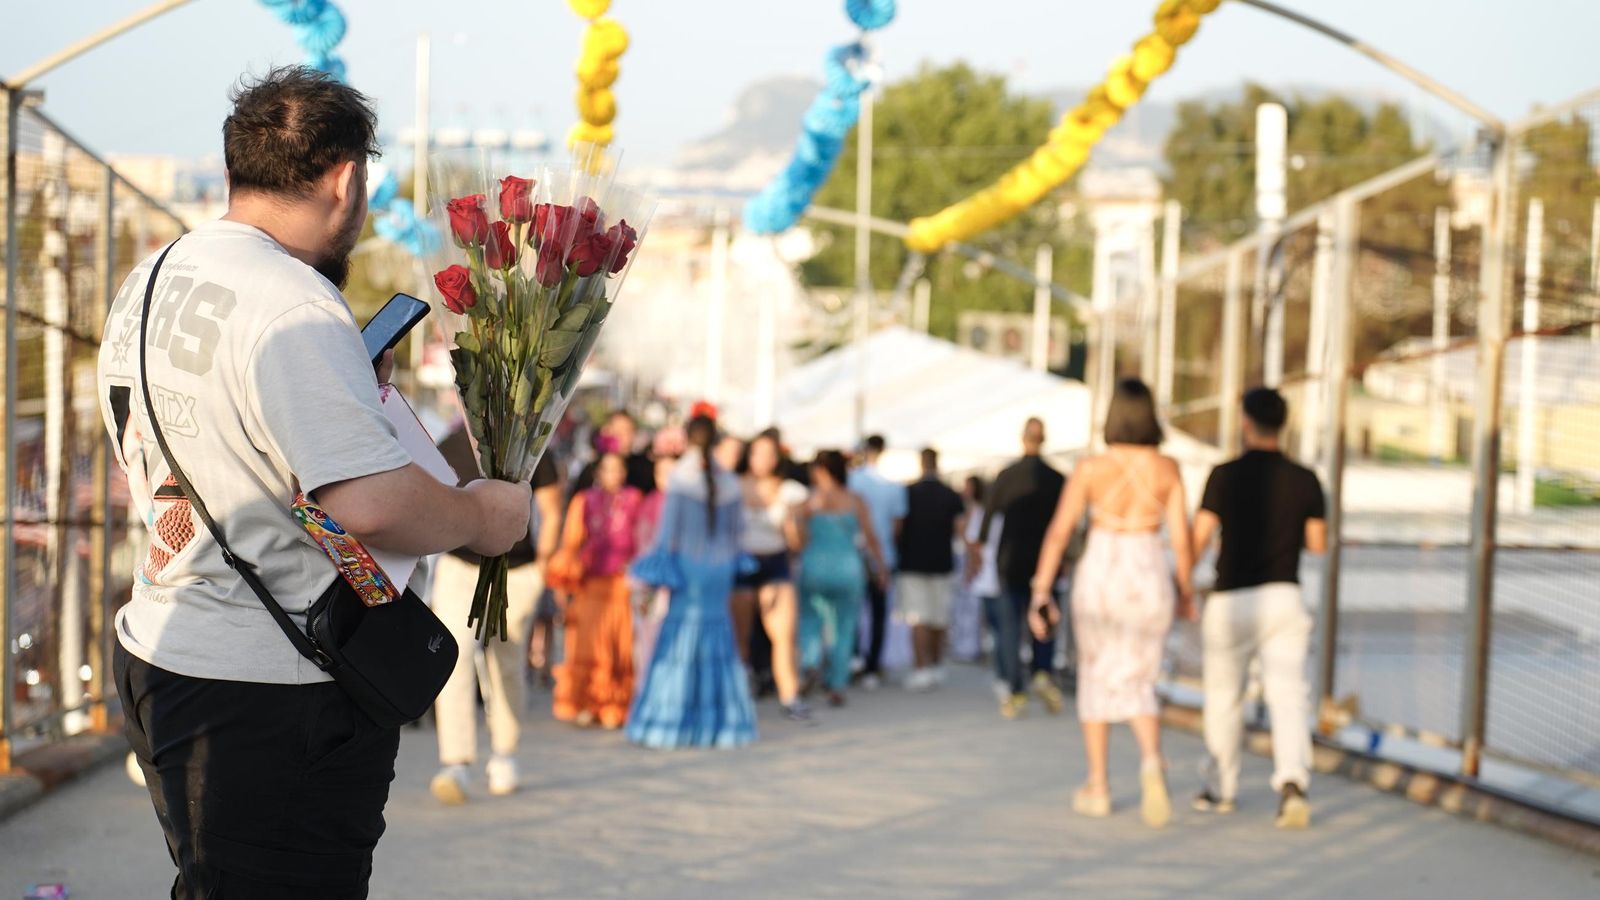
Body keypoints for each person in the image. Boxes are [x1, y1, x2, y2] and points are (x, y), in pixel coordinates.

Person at [98, 67, 531, 898]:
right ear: (344, 178)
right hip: (270, 691)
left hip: (164, 648)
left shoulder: (151, 277)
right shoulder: (293, 304)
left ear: (236, 169)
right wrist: (481, 515)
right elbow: (364, 506)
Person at [1029, 379, 1195, 828]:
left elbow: (1060, 532)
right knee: (1139, 676)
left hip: (1102, 567)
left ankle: (1098, 784)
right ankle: (1150, 759)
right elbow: (1180, 539)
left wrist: (1041, 590)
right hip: (1147, 565)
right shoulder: (1168, 468)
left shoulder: (1090, 469)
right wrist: (1186, 591)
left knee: (1097, 674)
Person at [1190, 387, 1327, 830]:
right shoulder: (1306, 479)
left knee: (1224, 697)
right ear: (1282, 424)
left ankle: (1221, 788)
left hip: (1230, 598)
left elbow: (1198, 538)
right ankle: (1292, 784)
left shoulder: (1222, 475)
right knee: (1288, 696)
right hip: (1284, 596)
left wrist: (1181, 582)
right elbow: (1317, 544)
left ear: (1245, 422)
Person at [429, 427, 563, 805]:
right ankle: (455, 761)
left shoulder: (530, 444)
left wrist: (543, 568)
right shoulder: (451, 444)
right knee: (454, 660)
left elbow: (552, 510)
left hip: (518, 570)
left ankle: (505, 752)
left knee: (506, 662)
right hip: (459, 565)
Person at [627, 414, 758, 748]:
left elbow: (667, 535)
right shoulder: (727, 479)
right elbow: (738, 534)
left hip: (689, 568)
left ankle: (673, 723)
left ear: (687, 438)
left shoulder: (681, 478)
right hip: (721, 570)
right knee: (718, 642)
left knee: (680, 642)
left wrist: (651, 572)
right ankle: (718, 724)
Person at [973, 418, 1068, 719]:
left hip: (1010, 561)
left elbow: (986, 525)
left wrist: (980, 554)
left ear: (1023, 439)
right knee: (1045, 621)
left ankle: (1015, 689)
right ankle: (1042, 672)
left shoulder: (1007, 475)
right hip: (1046, 563)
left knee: (1010, 629)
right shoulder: (1057, 478)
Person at [549, 446, 644, 729]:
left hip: (621, 586)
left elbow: (641, 539)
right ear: (598, 473)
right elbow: (571, 542)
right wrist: (564, 581)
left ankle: (615, 705)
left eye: (618, 468)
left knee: (619, 647)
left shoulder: (634, 499)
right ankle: (588, 703)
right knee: (588, 646)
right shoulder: (584, 500)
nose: (613, 474)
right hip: (590, 585)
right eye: (607, 469)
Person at [797, 450, 889, 707]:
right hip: (848, 568)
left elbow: (798, 540)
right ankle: (837, 683)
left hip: (814, 566)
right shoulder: (855, 500)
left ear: (821, 471)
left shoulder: (809, 502)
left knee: (811, 620)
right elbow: (871, 538)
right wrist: (882, 569)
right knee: (845, 628)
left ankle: (811, 662)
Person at [734, 432, 812, 720]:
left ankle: (790, 695)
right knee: (740, 636)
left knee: (783, 634)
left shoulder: (790, 490)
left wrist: (793, 523)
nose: (763, 460)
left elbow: (799, 543)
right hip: (741, 564)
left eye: (769, 454)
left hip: (775, 562)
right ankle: (740, 695)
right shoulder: (734, 486)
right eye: (757, 453)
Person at [896, 448, 968, 691]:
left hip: (913, 563)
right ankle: (935, 665)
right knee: (938, 618)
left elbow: (898, 527)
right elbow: (961, 529)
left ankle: (921, 668)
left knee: (919, 619)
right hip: (941, 563)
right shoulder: (949, 494)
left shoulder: (909, 492)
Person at [847, 435, 907, 689]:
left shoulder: (852, 481)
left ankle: (853, 659)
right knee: (878, 613)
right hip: (881, 556)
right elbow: (896, 527)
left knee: (852, 611)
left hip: (855, 554)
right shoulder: (892, 486)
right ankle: (870, 666)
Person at [632, 426, 686, 674]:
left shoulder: (687, 504)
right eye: (660, 471)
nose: (663, 476)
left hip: (678, 580)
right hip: (650, 579)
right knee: (647, 637)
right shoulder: (650, 501)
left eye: (670, 471)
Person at [949, 475, 988, 663]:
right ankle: (964, 645)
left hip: (970, 562)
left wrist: (972, 565)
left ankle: (970, 646)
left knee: (971, 608)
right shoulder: (968, 510)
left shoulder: (978, 511)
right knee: (963, 607)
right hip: (965, 561)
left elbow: (973, 542)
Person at [571, 409, 656, 495]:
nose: (621, 435)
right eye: (616, 430)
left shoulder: (645, 468)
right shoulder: (593, 468)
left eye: (626, 430)